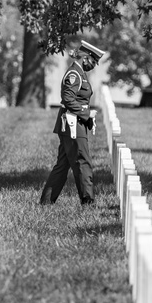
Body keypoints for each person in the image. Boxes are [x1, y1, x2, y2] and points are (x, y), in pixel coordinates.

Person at [39, 40, 107, 205]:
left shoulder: (80, 73)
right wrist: (86, 113)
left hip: (74, 123)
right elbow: (68, 99)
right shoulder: (74, 74)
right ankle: (87, 201)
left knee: (63, 165)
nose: (94, 66)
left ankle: (46, 202)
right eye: (93, 61)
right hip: (72, 124)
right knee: (83, 162)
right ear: (84, 58)